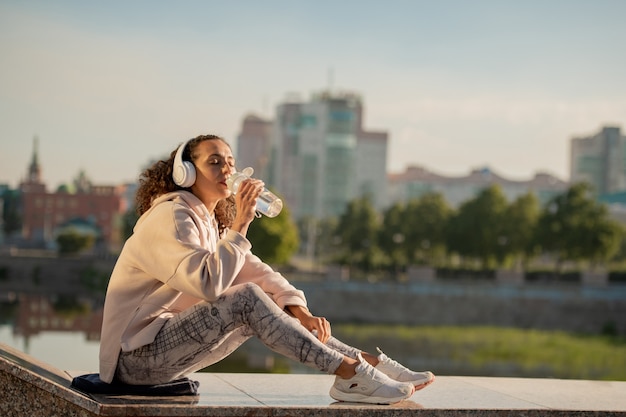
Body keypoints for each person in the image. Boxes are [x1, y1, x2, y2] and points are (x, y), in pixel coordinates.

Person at [99, 134, 434, 404]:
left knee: (262, 297)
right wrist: (242, 222)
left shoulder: (206, 222)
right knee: (245, 299)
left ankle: (363, 363)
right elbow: (207, 284)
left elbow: (258, 272)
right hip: (133, 361)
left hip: (160, 353)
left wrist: (297, 309)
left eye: (230, 163)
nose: (227, 171)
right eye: (214, 162)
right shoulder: (169, 218)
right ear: (185, 173)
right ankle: (349, 372)